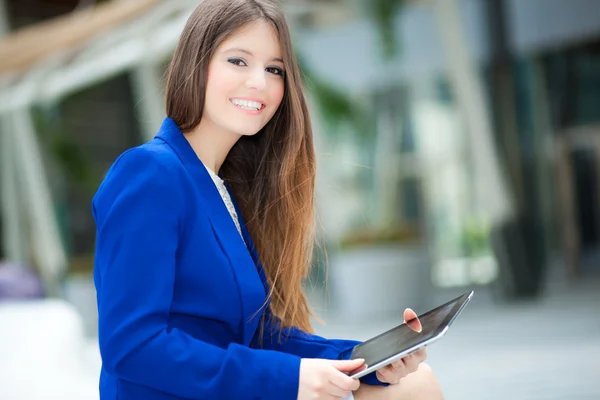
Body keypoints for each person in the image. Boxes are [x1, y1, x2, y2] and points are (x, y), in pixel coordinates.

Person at [92, 0, 444, 399]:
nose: (259, 82)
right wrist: (287, 378)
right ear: (196, 64)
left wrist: (368, 360)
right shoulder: (148, 173)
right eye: (238, 61)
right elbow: (133, 345)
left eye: (274, 69)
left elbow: (261, 337)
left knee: (409, 381)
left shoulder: (221, 188)